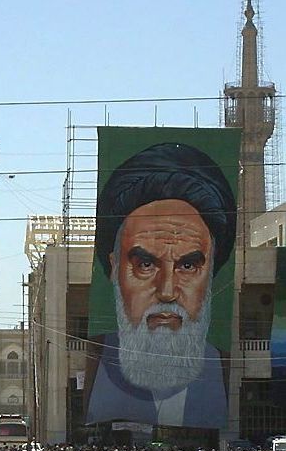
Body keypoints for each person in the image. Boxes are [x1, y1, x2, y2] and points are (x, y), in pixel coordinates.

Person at [86, 142, 235, 428]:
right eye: (145, 265)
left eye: (188, 266)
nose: (167, 291)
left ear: (211, 275)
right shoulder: (97, 361)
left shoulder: (222, 370)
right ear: (114, 268)